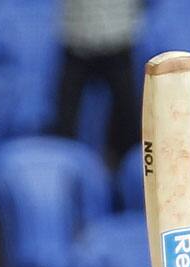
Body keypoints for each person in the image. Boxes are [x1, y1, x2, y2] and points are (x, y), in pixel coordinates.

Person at [54, 0, 142, 165]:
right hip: (76, 40)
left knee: (129, 123)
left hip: (119, 40)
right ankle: (66, 171)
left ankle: (126, 173)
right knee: (65, 124)